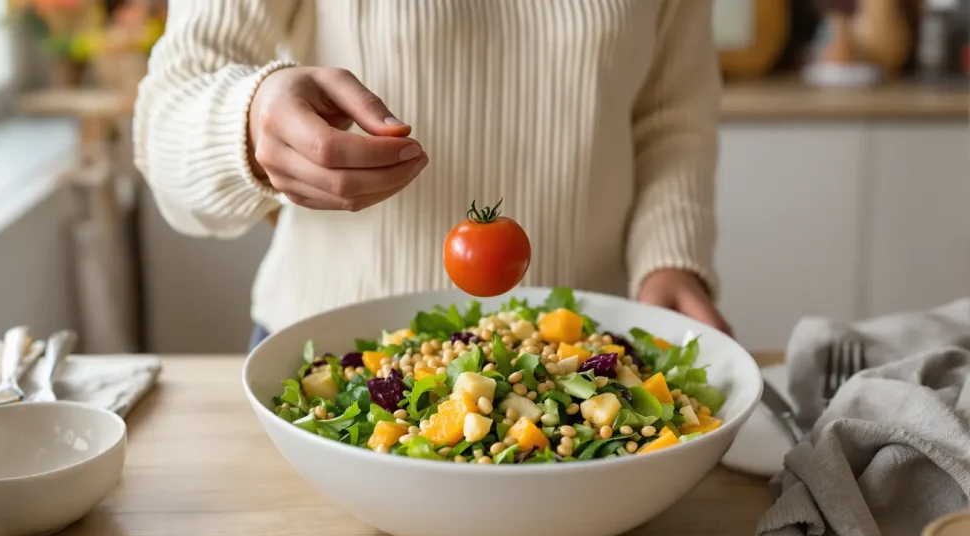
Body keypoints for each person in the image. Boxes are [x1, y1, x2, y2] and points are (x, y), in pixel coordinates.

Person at [133, 0, 733, 350]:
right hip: (333, 360)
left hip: (580, 354)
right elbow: (167, 119)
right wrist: (250, 119)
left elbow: (670, 116)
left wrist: (670, 258)